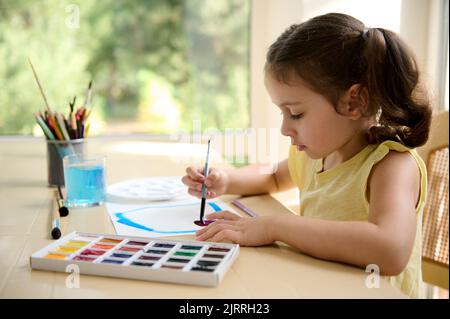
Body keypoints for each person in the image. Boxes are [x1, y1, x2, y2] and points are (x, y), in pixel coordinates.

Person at [182, 13, 431, 298]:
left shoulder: (391, 165)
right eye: (282, 112)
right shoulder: (316, 155)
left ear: (355, 102)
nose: (285, 128)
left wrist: (274, 226)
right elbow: (273, 177)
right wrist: (225, 180)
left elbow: (390, 250)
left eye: (296, 113)